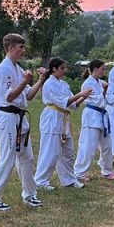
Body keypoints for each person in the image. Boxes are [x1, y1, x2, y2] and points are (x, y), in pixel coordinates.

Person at [0, 33, 44, 210]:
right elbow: (9, 97)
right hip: (8, 116)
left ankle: (30, 194)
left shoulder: (17, 68)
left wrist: (39, 80)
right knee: (7, 158)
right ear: (10, 48)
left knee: (27, 157)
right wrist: (25, 81)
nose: (23, 51)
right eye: (20, 47)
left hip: (19, 116)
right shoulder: (4, 69)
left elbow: (29, 96)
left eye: (23, 47)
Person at [34, 57, 93, 191]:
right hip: (52, 118)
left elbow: (72, 104)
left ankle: (69, 180)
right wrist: (81, 93)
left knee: (68, 151)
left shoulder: (64, 84)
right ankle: (41, 181)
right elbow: (63, 102)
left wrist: (85, 96)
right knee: (50, 151)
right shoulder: (49, 84)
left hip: (64, 119)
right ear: (54, 69)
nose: (64, 71)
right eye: (62, 68)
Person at [72, 60, 114, 182]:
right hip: (92, 115)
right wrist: (104, 91)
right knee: (88, 146)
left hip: (102, 116)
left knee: (107, 145)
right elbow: (99, 100)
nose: (104, 71)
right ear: (95, 69)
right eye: (102, 69)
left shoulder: (101, 82)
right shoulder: (88, 84)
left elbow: (110, 100)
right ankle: (79, 172)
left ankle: (107, 170)